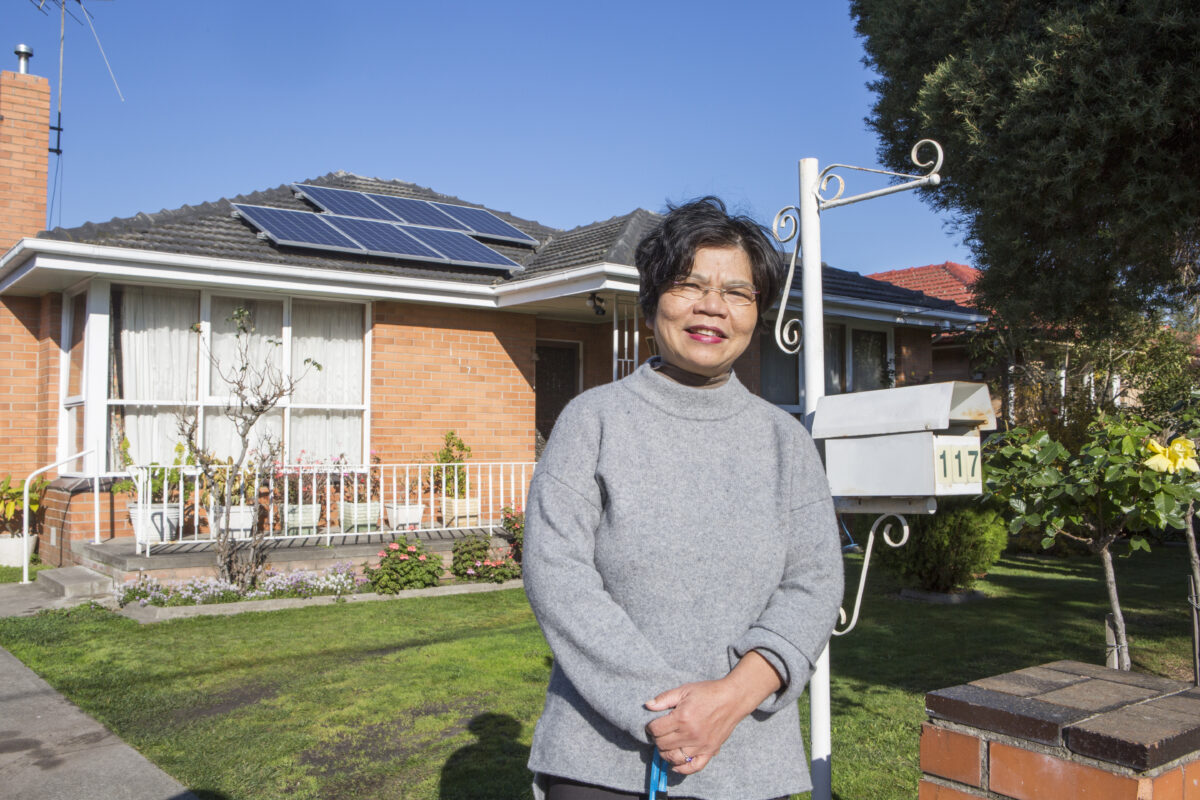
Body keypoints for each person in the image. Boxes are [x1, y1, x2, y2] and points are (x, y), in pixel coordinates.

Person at [523, 196, 844, 800]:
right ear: (652, 303)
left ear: (758, 312)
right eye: (688, 284)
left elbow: (815, 583)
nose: (712, 307)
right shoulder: (593, 421)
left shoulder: (786, 442)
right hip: (600, 758)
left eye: (738, 292)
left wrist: (731, 697)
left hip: (748, 751)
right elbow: (557, 575)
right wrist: (662, 712)